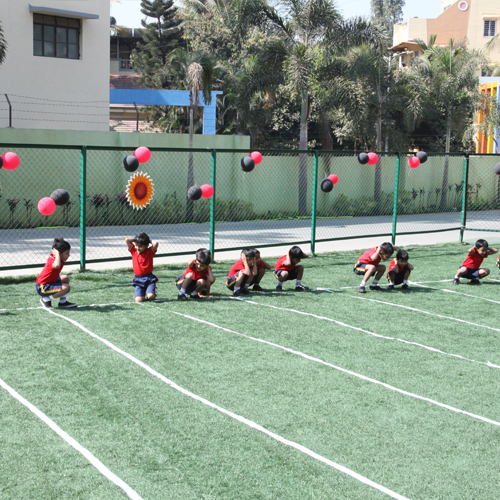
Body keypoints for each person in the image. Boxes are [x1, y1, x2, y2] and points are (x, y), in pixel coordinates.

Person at [36, 238, 77, 309]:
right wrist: (57, 253)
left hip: (50, 283)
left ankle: (63, 302)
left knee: (65, 278)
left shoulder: (58, 258)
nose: (69, 255)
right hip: (43, 287)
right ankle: (46, 299)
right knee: (66, 288)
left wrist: (58, 254)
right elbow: (56, 266)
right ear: (59, 254)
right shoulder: (54, 259)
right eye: (67, 253)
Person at [125, 233, 159, 302]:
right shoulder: (133, 251)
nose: (137, 248)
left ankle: (152, 291)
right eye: (136, 245)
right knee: (139, 300)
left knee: (151, 297)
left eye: (140, 246)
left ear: (146, 245)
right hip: (138, 279)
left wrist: (147, 240)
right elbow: (127, 240)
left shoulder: (149, 252)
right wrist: (137, 239)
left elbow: (155, 243)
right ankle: (139, 292)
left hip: (149, 279)